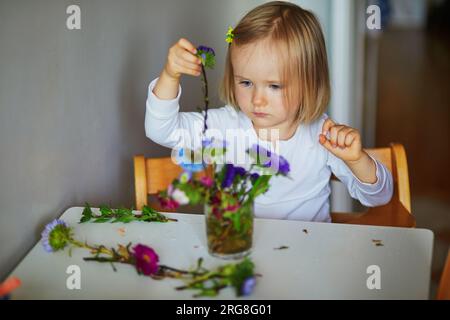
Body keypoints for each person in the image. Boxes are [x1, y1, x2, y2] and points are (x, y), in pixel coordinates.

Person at [145, 1, 393, 222]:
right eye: (246, 83)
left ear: (310, 83)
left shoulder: (323, 135)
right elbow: (161, 130)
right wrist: (170, 75)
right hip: (237, 256)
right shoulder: (224, 126)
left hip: (308, 256)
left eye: (274, 86)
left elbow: (379, 197)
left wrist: (357, 160)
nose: (257, 100)